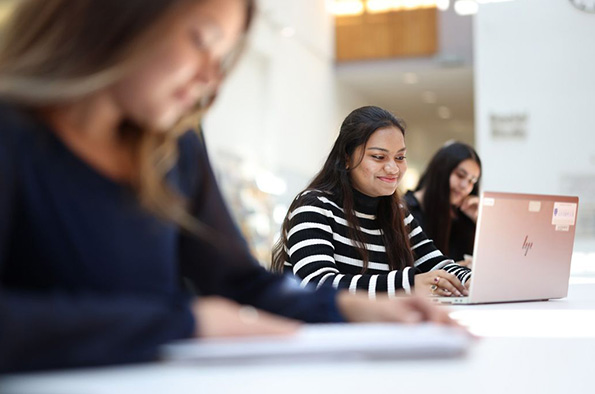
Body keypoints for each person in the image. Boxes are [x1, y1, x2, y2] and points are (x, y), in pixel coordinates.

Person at [0, 0, 459, 373]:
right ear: (116, 15)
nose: (210, 78)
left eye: (222, 57)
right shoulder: (14, 131)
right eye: (201, 40)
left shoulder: (175, 148)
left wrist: (348, 308)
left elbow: (243, 282)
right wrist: (184, 323)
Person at [271, 106, 472, 298]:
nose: (393, 168)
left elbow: (437, 264)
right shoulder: (313, 207)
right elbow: (318, 284)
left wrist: (470, 279)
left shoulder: (398, 212)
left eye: (400, 157)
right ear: (346, 158)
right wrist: (408, 284)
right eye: (378, 157)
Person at [403, 142, 481, 265]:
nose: (465, 186)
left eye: (472, 181)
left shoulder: (462, 215)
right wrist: (453, 270)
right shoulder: (405, 211)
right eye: (460, 176)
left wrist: (479, 220)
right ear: (441, 170)